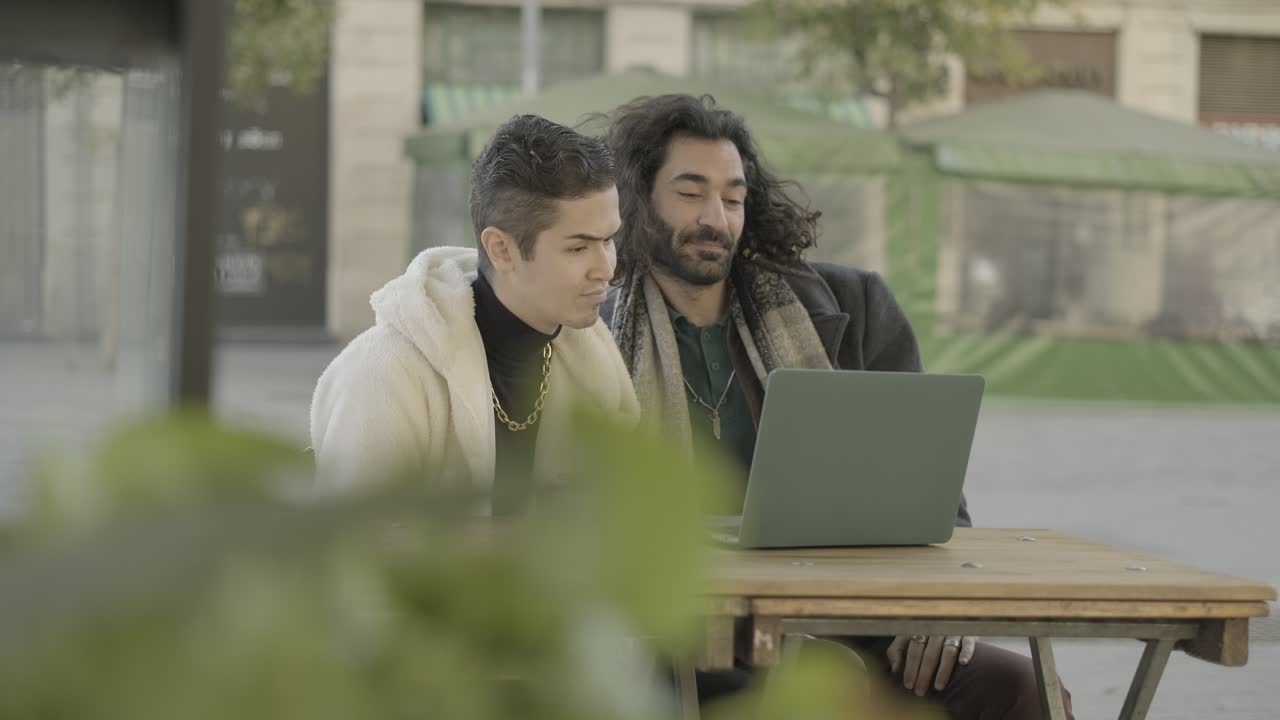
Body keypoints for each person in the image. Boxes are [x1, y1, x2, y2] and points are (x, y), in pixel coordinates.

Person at [600, 93, 1071, 719]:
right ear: (637, 200)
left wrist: (941, 606)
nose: (716, 217)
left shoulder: (853, 308)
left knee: (1024, 691)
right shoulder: (591, 334)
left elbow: (935, 503)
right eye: (690, 193)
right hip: (680, 637)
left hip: (854, 617)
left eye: (733, 197)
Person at [310, 114, 637, 514]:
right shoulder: (384, 374)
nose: (606, 267)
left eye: (608, 241)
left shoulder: (593, 362)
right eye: (578, 248)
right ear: (501, 250)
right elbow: (354, 552)